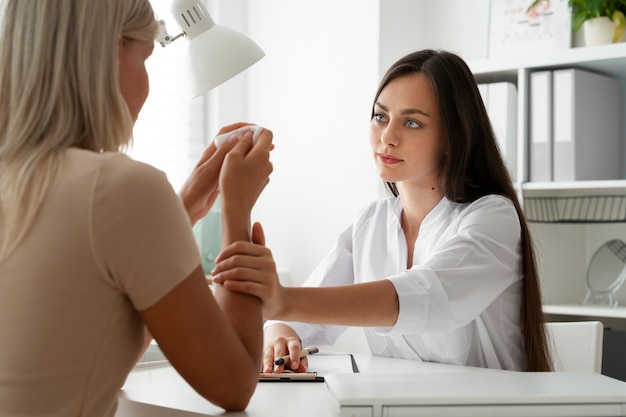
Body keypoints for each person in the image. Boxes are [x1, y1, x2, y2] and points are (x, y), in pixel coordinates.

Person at [0, 1, 273, 416]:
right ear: (112, 51)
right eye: (145, 58)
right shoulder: (120, 190)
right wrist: (237, 210)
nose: (146, 86)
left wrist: (186, 208)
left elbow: (93, 344)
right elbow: (234, 385)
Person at [212, 49, 553, 373]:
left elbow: (426, 296)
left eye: (412, 123)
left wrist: (282, 300)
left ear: (453, 136)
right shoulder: (371, 223)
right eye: (380, 116)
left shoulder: (493, 217)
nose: (386, 137)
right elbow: (298, 316)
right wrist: (281, 335)